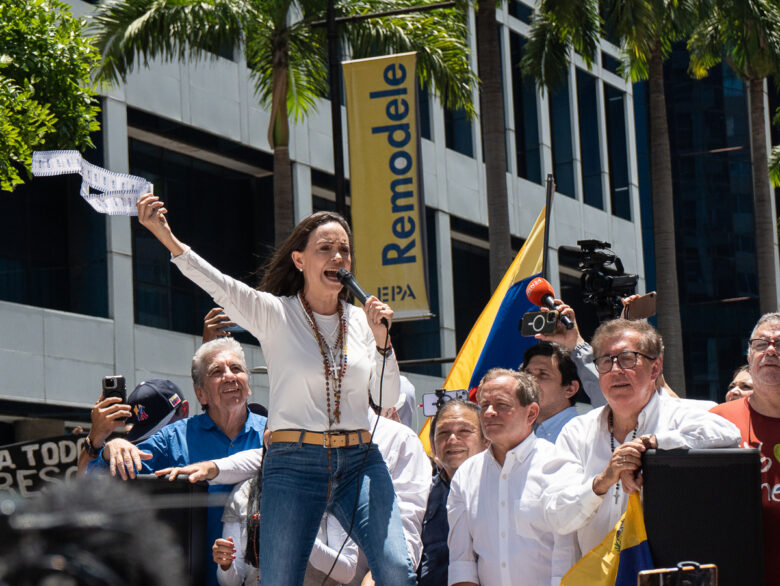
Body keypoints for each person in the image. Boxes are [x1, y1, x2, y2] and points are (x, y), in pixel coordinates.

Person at [135, 194, 410, 586]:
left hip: (359, 462)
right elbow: (220, 284)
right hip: (294, 463)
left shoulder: (364, 322)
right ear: (299, 260)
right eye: (325, 249)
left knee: (397, 569)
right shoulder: (275, 312)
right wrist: (165, 236)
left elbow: (386, 398)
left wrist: (383, 342)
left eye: (344, 250)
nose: (338, 257)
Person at [541, 319, 741, 583]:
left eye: (627, 359)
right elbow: (557, 516)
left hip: (670, 576)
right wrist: (602, 481)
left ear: (655, 367)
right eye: (606, 361)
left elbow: (729, 434)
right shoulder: (577, 431)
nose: (615, 370)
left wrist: (652, 444)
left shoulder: (684, 415)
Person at [87, 338, 267, 586]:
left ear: (248, 385)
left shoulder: (274, 436)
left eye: (236, 368)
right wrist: (109, 448)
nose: (229, 376)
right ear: (200, 393)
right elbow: (95, 485)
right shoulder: (173, 439)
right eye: (217, 371)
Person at [447, 369, 557, 586]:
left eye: (501, 405)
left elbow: (568, 552)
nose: (489, 413)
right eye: (484, 405)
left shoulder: (556, 464)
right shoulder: (466, 475)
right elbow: (462, 564)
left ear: (531, 413)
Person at [711, 313, 780, 586]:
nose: (770, 350)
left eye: (779, 344)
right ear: (749, 357)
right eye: (761, 344)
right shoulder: (716, 420)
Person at [212, 474, 359, 586]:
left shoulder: (333, 491)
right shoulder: (244, 492)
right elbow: (231, 582)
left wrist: (303, 539)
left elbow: (347, 573)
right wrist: (226, 564)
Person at [418, 399, 487, 586]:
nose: (452, 439)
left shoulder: (501, 490)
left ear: (486, 440)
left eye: (464, 431)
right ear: (433, 445)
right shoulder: (420, 493)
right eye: (443, 433)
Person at [77, 378, 189, 475]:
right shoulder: (137, 461)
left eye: (159, 431)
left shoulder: (197, 445)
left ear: (184, 410)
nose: (149, 444)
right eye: (142, 439)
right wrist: (96, 440)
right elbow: (85, 485)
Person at [521, 342, 583, 443]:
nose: (530, 381)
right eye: (527, 373)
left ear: (570, 389)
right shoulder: (517, 429)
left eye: (543, 374)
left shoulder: (583, 434)